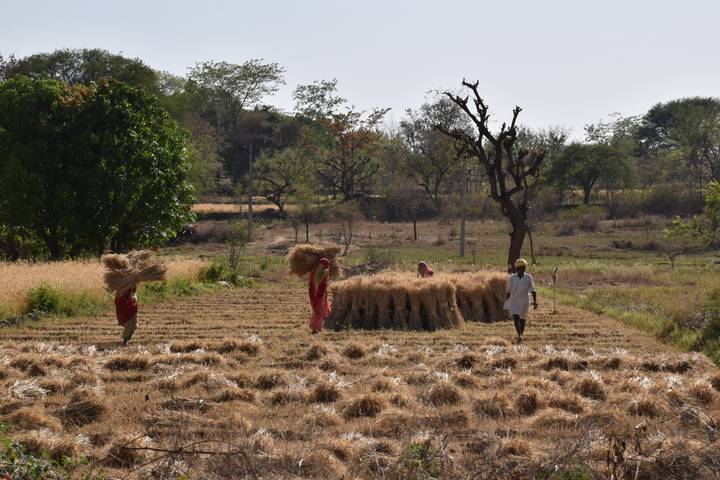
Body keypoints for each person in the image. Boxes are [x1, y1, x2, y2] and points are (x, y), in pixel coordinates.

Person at [504, 258, 538, 343]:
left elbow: (533, 290)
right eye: (520, 268)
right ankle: (519, 335)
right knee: (516, 317)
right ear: (517, 269)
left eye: (524, 267)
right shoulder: (512, 278)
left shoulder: (529, 277)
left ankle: (521, 335)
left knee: (522, 320)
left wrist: (535, 301)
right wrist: (507, 301)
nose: (522, 269)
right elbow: (508, 291)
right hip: (514, 301)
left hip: (525, 301)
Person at [308, 257, 332, 334]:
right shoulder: (322, 271)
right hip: (318, 293)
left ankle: (317, 327)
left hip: (315, 293)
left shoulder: (314, 271)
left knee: (318, 310)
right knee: (319, 311)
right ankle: (315, 327)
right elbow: (318, 282)